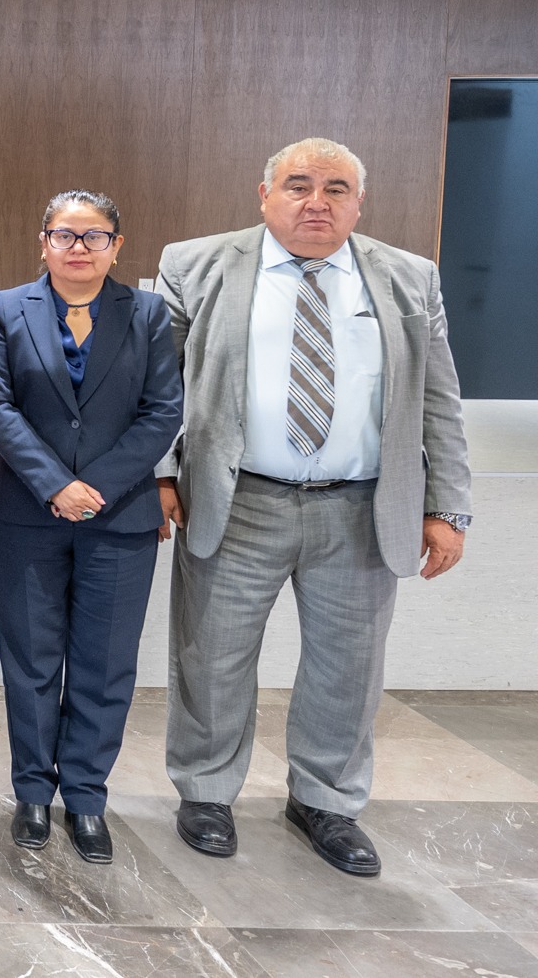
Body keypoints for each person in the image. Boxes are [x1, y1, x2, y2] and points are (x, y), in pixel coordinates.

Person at [158, 138, 471, 878]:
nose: (316, 202)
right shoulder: (196, 265)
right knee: (212, 656)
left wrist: (448, 507)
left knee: (348, 666)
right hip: (237, 500)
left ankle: (326, 801)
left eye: (336, 189)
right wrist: (162, 475)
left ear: (359, 204)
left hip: (360, 508)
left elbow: (439, 399)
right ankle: (206, 792)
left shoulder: (409, 277)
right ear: (264, 194)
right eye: (298, 185)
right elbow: (160, 385)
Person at [0, 190, 183, 863]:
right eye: (65, 235)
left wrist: (97, 488)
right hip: (27, 513)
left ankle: (87, 797)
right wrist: (55, 484)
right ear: (44, 242)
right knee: (31, 659)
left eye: (95, 236)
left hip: (119, 517)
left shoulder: (147, 312)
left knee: (104, 663)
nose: (79, 248)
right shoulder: (9, 307)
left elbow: (163, 411)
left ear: (117, 247)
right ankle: (33, 792)